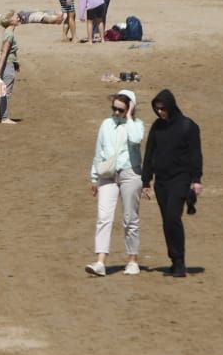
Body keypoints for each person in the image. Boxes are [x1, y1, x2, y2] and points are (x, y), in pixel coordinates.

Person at [140, 90, 203, 278]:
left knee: (172, 217)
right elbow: (150, 154)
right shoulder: (157, 127)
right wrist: (146, 181)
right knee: (167, 221)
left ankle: (179, 261)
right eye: (157, 109)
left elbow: (195, 154)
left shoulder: (188, 126)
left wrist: (196, 180)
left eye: (163, 108)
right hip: (161, 181)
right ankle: (174, 260)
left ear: (171, 106)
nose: (160, 112)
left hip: (180, 179)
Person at [86, 90, 146, 277]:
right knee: (104, 217)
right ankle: (100, 262)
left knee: (130, 219)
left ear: (129, 109)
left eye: (121, 110)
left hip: (131, 174)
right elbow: (99, 150)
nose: (116, 113)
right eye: (114, 109)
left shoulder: (136, 125)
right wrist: (94, 177)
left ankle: (132, 260)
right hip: (108, 175)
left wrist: (129, 118)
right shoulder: (106, 124)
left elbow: (136, 139)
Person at [0, 13, 21, 124]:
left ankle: (0, 116)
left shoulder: (7, 32)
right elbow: (5, 52)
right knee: (6, 92)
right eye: (16, 17)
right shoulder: (10, 35)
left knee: (1, 91)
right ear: (10, 20)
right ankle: (4, 118)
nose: (18, 18)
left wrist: (16, 63)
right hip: (7, 65)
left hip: (7, 63)